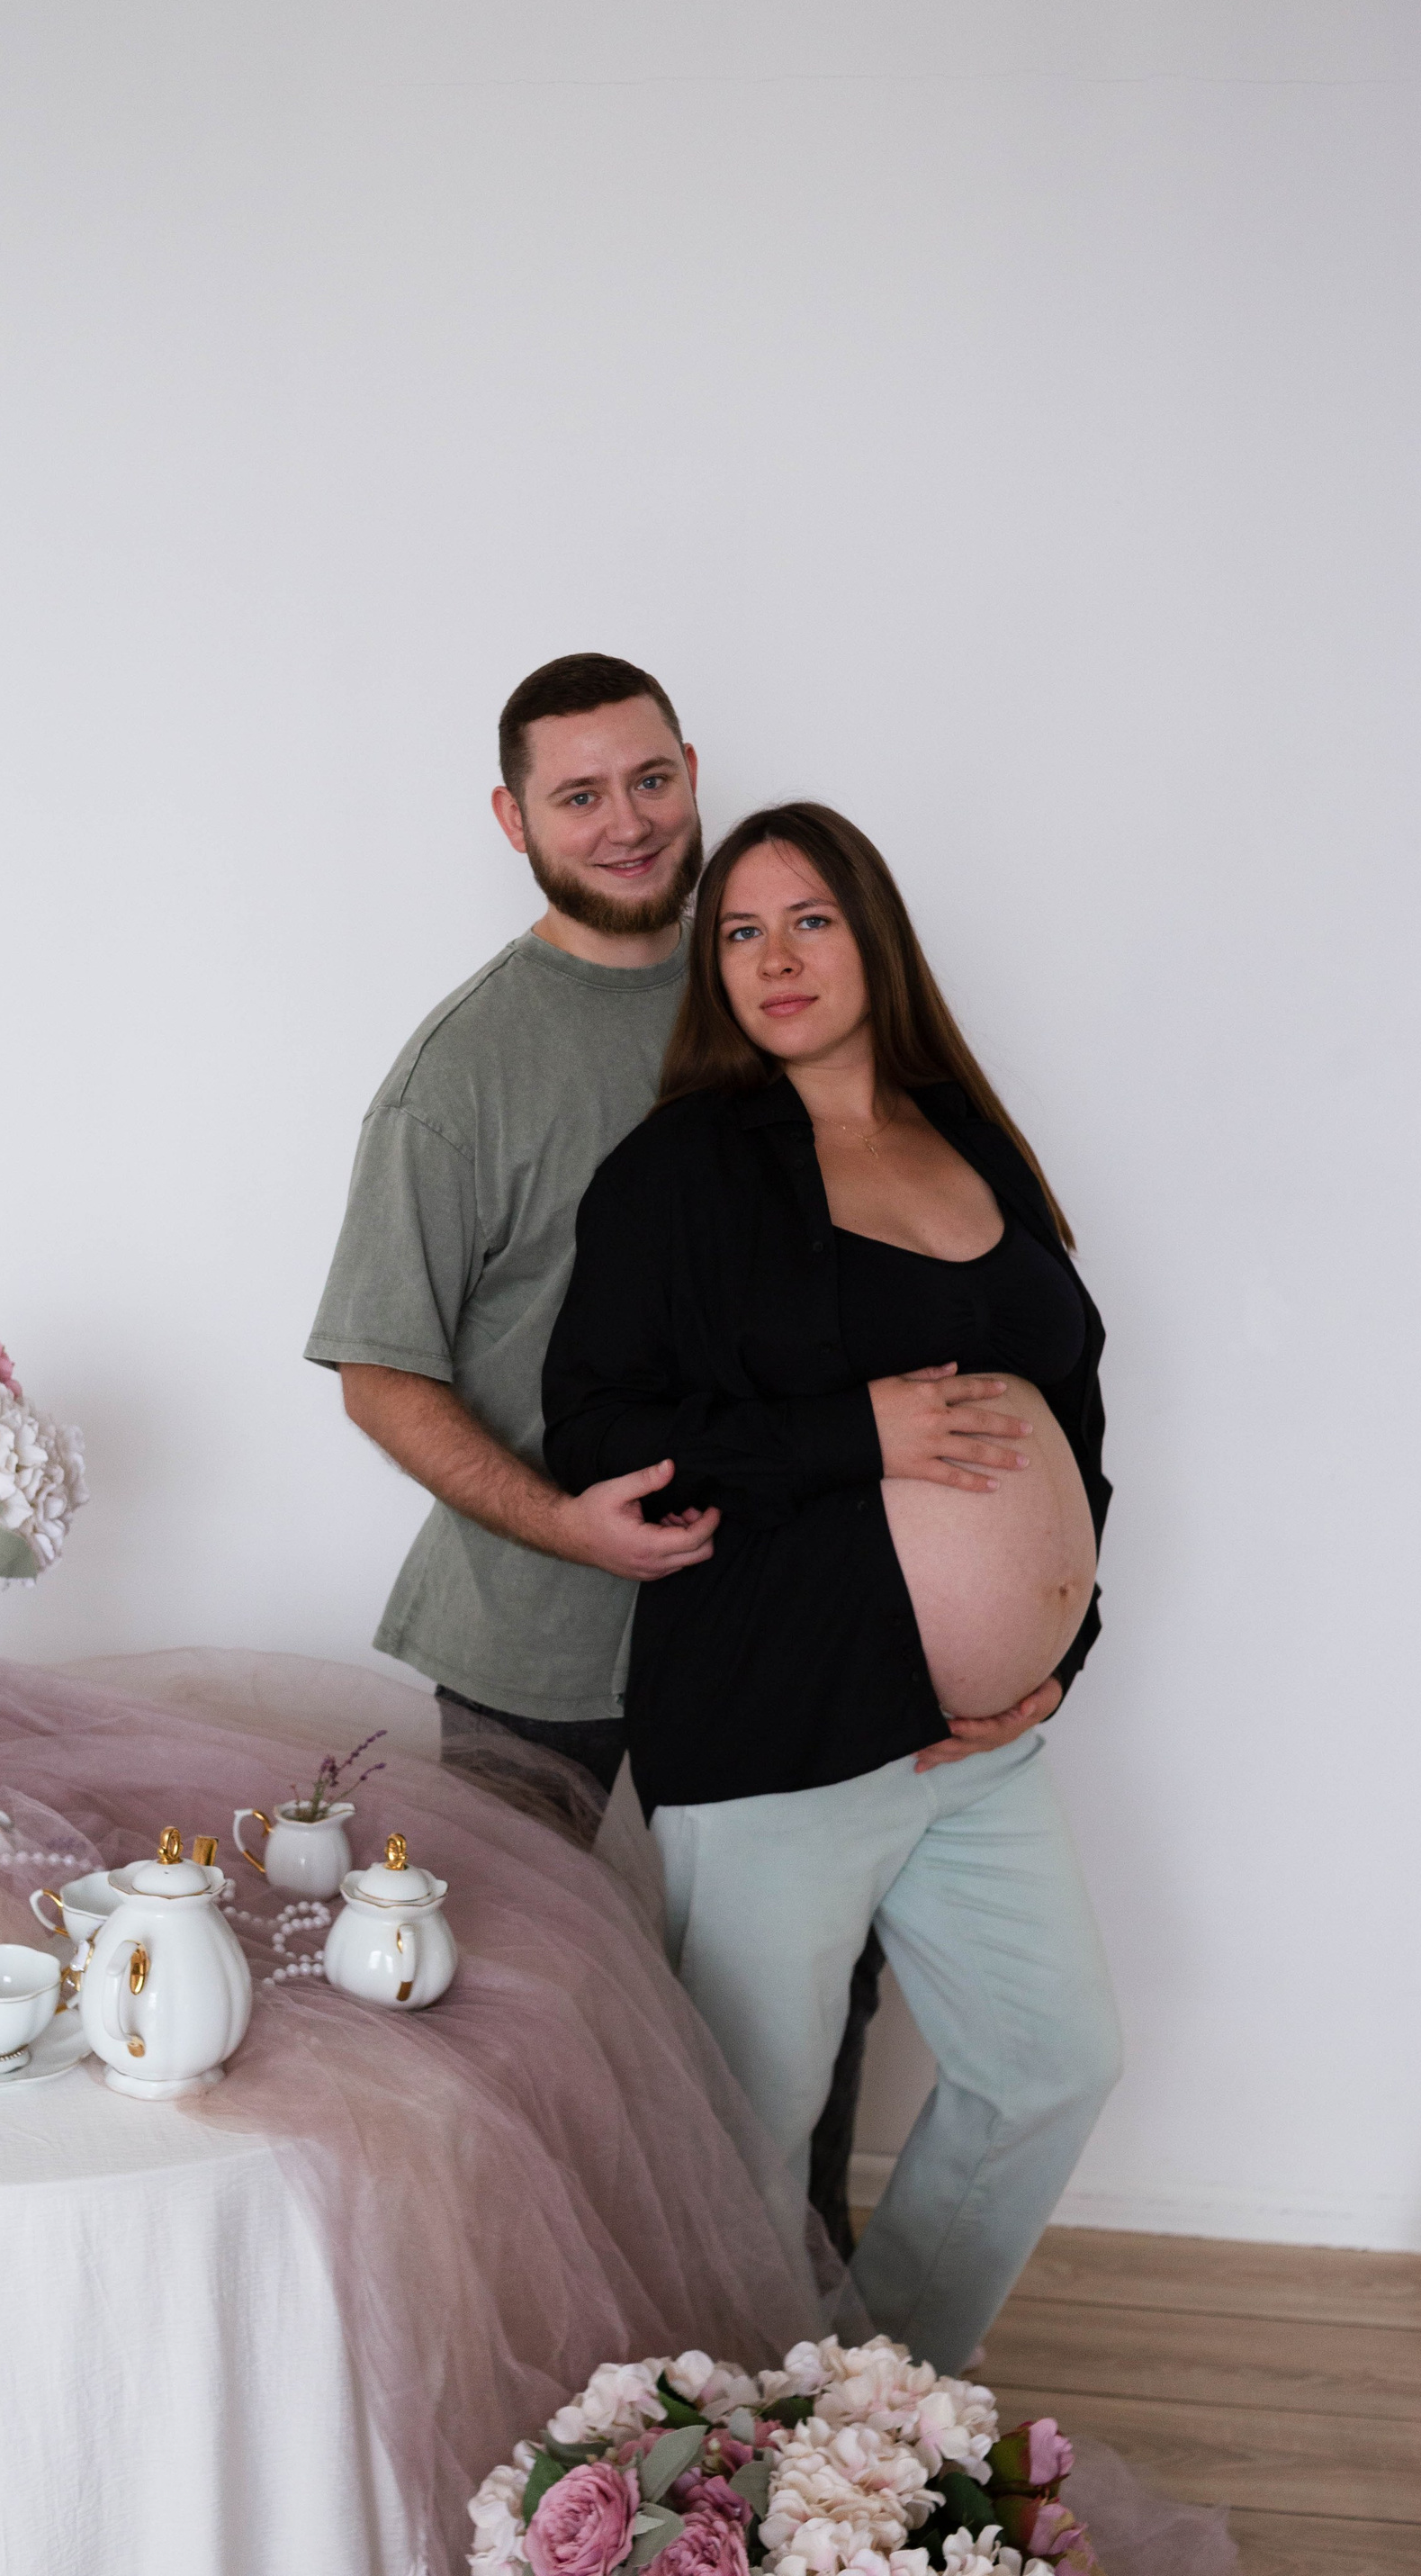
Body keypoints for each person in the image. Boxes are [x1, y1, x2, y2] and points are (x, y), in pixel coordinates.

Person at [543, 801, 1123, 2371]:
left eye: (810, 920)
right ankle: (715, 2459)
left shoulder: (968, 1137)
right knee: (750, 2130)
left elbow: (1069, 1413)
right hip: (779, 1726)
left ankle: (868, 2418)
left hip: (977, 1744)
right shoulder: (679, 1172)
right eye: (740, 931)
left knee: (1051, 2064)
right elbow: (597, 1433)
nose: (776, 958)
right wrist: (850, 1434)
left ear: (876, 937)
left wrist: (1064, 1639)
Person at [304, 653, 718, 1816]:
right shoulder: (456, 1076)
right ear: (513, 819)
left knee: (770, 1943)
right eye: (580, 796)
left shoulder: (773, 989)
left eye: (650, 781)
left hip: (761, 1616)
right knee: (519, 1938)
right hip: (535, 1648)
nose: (628, 824)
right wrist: (567, 1529)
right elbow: (380, 1376)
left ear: (692, 775)